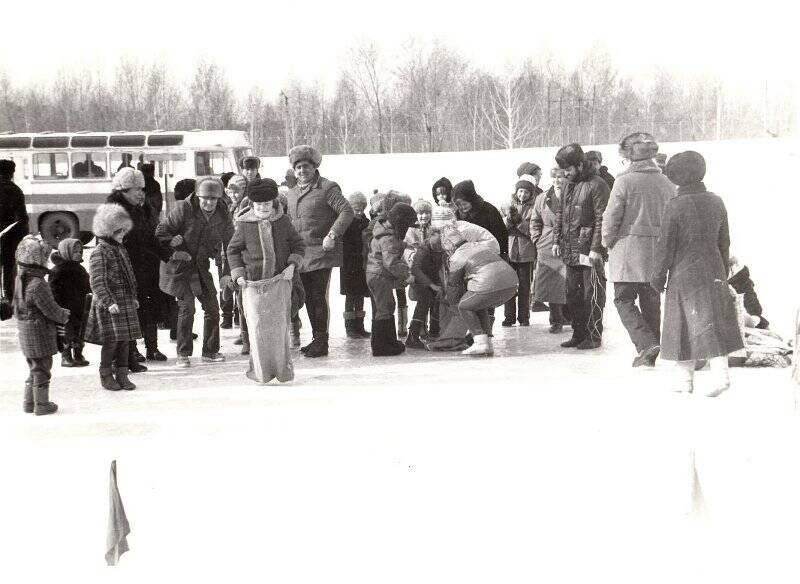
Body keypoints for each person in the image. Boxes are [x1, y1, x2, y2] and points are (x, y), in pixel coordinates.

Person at [651, 151, 743, 396]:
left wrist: (658, 277)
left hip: (683, 274)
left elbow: (665, 246)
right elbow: (725, 242)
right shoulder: (717, 201)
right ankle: (719, 376)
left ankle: (685, 382)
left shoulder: (675, 205)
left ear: (676, 177)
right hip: (713, 270)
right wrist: (722, 272)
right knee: (713, 325)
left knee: (681, 326)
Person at [602, 133, 675, 367]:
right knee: (651, 299)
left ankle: (646, 345)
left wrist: (607, 241)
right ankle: (652, 346)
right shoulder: (667, 183)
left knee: (623, 300)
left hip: (627, 249)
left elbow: (611, 216)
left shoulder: (624, 181)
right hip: (656, 251)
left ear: (629, 157)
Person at [227, 178, 305, 383]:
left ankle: (282, 371)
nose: (263, 208)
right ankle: (261, 372)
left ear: (274, 203)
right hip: (253, 286)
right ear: (252, 204)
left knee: (280, 329)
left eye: (267, 204)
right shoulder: (244, 225)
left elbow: (298, 245)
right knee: (258, 328)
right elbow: (233, 250)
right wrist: (238, 274)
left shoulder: (283, 221)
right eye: (259, 204)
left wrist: (292, 265)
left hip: (280, 282)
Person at [156, 177, 233, 368]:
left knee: (212, 307)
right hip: (179, 267)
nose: (208, 202)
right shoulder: (184, 208)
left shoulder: (223, 214)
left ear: (219, 199)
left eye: (213, 199)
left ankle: (210, 350)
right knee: (187, 309)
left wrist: (226, 273)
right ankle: (183, 353)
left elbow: (231, 246)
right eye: (204, 198)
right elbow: (160, 232)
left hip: (200, 266)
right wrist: (172, 244)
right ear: (197, 197)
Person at [285, 145, 354, 358]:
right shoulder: (292, 192)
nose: (302, 171)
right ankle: (316, 338)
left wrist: (333, 234)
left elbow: (346, 210)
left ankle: (322, 341)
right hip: (301, 252)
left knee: (317, 295)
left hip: (322, 251)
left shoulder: (327, 188)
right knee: (306, 297)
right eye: (298, 167)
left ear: (314, 167)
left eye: (306, 166)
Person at [552, 143, 611, 350]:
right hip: (570, 247)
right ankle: (578, 333)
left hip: (589, 249)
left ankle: (593, 335)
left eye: (568, 169)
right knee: (572, 294)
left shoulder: (597, 184)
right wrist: (556, 239)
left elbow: (602, 218)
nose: (565, 174)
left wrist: (596, 248)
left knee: (591, 293)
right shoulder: (569, 184)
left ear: (579, 164)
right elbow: (561, 213)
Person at [107, 167, 167, 367]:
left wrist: (166, 254)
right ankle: (132, 351)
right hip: (126, 269)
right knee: (130, 310)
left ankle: (152, 348)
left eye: (142, 189)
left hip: (146, 266)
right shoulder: (113, 211)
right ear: (124, 190)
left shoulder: (142, 208)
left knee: (149, 306)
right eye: (137, 189)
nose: (142, 193)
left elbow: (149, 237)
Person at [84, 204, 142, 391]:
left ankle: (122, 374)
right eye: (119, 231)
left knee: (125, 340)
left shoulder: (121, 249)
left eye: (124, 230)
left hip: (124, 301)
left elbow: (129, 275)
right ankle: (106, 374)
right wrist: (109, 302)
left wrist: (133, 296)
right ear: (108, 232)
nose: (123, 235)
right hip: (110, 303)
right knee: (111, 342)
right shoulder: (99, 253)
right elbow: (97, 281)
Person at [14, 236, 70, 415]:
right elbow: (50, 309)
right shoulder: (38, 284)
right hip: (39, 332)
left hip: (25, 331)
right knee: (43, 369)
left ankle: (29, 402)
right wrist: (64, 315)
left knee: (34, 368)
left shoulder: (20, 279)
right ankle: (42, 404)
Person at [441, 226, 518, 356]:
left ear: (449, 244)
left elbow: (453, 287)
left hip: (489, 285)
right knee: (477, 305)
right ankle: (487, 342)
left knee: (464, 306)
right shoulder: (478, 245)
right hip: (512, 284)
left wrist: (451, 304)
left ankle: (480, 343)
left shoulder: (456, 257)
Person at [451, 179, 508, 336]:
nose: (462, 207)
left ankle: (487, 330)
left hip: (489, 259)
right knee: (472, 295)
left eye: (464, 203)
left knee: (486, 294)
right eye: (459, 205)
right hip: (468, 262)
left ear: (472, 198)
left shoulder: (489, 211)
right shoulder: (458, 215)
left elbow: (501, 236)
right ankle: (474, 331)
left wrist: (503, 257)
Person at [367, 202, 416, 356]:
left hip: (377, 275)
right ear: (400, 222)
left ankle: (389, 341)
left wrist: (405, 245)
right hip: (380, 276)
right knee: (384, 309)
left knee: (387, 305)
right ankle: (381, 346)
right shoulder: (388, 238)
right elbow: (391, 263)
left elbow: (392, 246)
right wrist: (407, 274)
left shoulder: (385, 232)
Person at [530, 168, 569, 333]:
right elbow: (535, 220)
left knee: (568, 283)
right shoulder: (543, 197)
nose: (557, 181)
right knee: (552, 285)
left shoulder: (572, 195)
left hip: (567, 243)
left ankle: (571, 317)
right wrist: (537, 239)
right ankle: (556, 320)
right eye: (554, 177)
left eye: (561, 177)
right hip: (547, 246)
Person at [502, 174, 538, 327]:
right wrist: (508, 220)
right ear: (516, 191)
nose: (523, 195)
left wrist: (519, 223)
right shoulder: (507, 206)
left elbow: (533, 230)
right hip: (510, 251)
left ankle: (524, 317)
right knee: (509, 285)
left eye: (526, 192)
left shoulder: (534, 208)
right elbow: (501, 227)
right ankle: (509, 316)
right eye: (520, 191)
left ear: (531, 194)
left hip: (526, 252)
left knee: (524, 286)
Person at [49, 238, 91, 367]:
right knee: (66, 333)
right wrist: (58, 308)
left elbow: (87, 286)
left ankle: (78, 354)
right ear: (65, 252)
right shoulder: (57, 271)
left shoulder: (81, 269)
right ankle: (66, 356)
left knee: (80, 332)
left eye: (80, 251)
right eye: (75, 251)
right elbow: (53, 290)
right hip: (64, 309)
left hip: (80, 307)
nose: (78, 254)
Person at [404, 199, 439, 346]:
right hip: (419, 271)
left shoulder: (434, 229)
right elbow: (407, 248)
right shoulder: (411, 230)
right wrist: (411, 256)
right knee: (423, 301)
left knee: (433, 301)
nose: (423, 216)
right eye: (420, 213)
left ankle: (433, 330)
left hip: (432, 271)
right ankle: (416, 332)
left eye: (426, 213)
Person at [341, 191, 371, 339]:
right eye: (356, 209)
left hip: (361, 265)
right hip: (348, 265)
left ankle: (360, 325)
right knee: (350, 296)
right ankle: (349, 327)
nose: (359, 212)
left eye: (361, 209)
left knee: (359, 296)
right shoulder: (345, 223)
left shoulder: (366, 222)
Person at [220, 174, 249, 330]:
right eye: (230, 192)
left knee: (240, 290)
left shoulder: (246, 206)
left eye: (237, 191)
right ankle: (229, 318)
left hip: (241, 255)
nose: (233, 195)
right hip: (227, 253)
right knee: (229, 287)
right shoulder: (229, 206)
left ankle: (243, 327)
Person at [0, 159, 29, 302]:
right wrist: (24, 237)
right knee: (9, 267)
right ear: (12, 173)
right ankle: (9, 298)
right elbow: (22, 218)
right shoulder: (15, 191)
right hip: (9, 237)